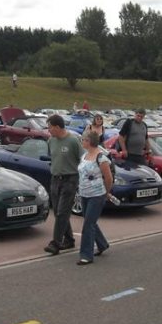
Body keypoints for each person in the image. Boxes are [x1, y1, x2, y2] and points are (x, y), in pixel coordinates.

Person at [44, 114, 83, 255]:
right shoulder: (51, 141)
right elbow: (52, 157)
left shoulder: (73, 140)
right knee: (59, 212)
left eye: (50, 128)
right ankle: (70, 239)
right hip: (55, 179)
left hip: (70, 180)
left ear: (57, 127)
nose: (48, 130)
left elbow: (83, 159)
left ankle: (55, 243)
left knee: (62, 212)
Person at [76, 130, 113, 265]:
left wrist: (106, 192)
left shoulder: (101, 158)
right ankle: (102, 244)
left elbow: (108, 178)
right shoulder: (85, 156)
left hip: (97, 195)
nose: (82, 142)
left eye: (83, 140)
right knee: (89, 221)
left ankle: (86, 254)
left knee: (88, 224)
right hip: (84, 193)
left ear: (89, 142)